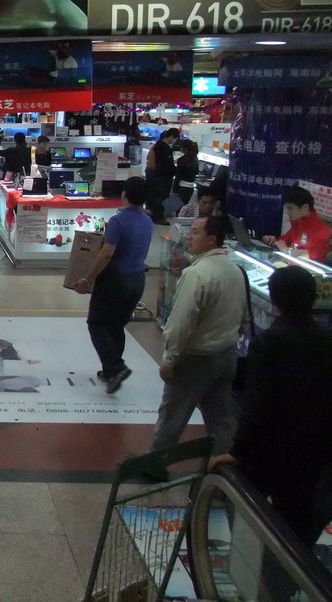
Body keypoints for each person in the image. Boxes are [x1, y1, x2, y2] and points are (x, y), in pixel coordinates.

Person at [209, 266, 332, 549]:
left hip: (270, 450)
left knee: (244, 507)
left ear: (274, 301)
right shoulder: (326, 339)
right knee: (297, 517)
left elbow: (258, 405)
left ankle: (254, 570)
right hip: (312, 450)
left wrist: (237, 452)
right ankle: (290, 573)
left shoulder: (269, 342)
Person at [144, 216, 248, 478]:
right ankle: (222, 469)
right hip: (226, 355)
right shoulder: (234, 270)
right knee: (220, 417)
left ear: (212, 239)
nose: (189, 236)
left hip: (196, 359)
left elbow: (180, 324)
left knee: (173, 415)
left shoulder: (196, 274)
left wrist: (170, 359)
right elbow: (244, 317)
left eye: (196, 232)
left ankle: (155, 466)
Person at [74, 176, 153, 393]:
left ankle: (116, 367)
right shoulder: (147, 221)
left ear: (124, 194)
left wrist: (88, 279)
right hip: (137, 280)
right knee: (117, 325)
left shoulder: (118, 221)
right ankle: (110, 372)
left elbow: (106, 253)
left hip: (115, 281)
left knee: (97, 324)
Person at [262, 185, 331, 262]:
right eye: (287, 208)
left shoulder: (321, 229)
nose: (288, 212)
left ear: (305, 207)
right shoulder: (298, 223)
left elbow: (315, 254)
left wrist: (287, 251)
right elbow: (285, 239)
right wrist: (274, 241)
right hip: (292, 265)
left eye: (290, 208)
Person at [145, 128, 179, 224]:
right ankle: (158, 217)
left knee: (152, 197)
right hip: (161, 178)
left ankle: (151, 215)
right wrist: (174, 170)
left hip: (153, 175)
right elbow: (165, 165)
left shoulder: (157, 145)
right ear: (172, 137)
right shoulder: (164, 148)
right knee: (160, 197)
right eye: (175, 138)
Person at [172, 140, 199, 205]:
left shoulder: (182, 160)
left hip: (181, 188)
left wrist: (174, 189)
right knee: (183, 207)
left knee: (174, 208)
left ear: (185, 149)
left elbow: (178, 176)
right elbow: (196, 172)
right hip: (190, 188)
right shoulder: (195, 158)